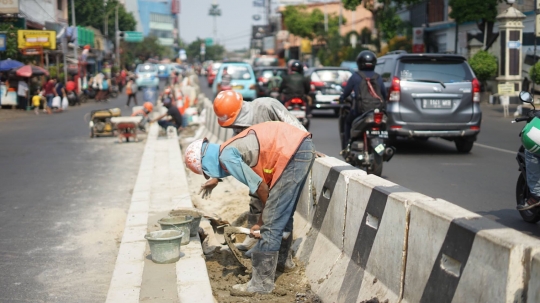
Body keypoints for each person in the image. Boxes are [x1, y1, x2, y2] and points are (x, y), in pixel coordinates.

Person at [184, 122, 315, 295]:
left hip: (292, 151)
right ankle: (283, 261)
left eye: (207, 172)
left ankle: (261, 284)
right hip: (298, 147)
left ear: (206, 164)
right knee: (283, 212)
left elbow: (261, 188)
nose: (212, 175)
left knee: (272, 222)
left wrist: (262, 221)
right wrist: (263, 218)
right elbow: (265, 190)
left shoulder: (226, 157)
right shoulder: (227, 149)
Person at [339, 50, 387, 151]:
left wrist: (342, 98)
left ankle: (347, 146)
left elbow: (346, 92)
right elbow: (384, 94)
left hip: (360, 111)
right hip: (377, 111)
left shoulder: (356, 76)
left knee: (347, 123)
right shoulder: (378, 77)